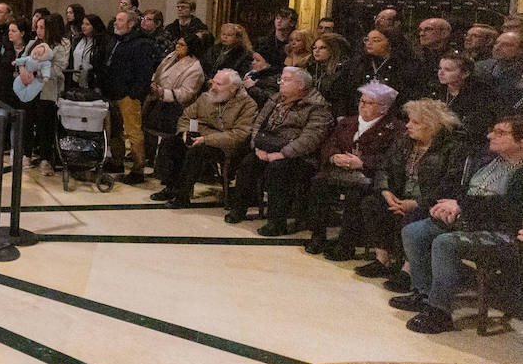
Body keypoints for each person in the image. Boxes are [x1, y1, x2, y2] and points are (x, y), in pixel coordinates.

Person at [394, 115, 523, 334]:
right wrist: (448, 207)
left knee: (445, 243)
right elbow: (466, 191)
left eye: (501, 133)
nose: (490, 135)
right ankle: (424, 294)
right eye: (492, 130)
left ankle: (439, 312)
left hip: (505, 233)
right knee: (414, 231)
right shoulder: (490, 161)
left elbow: (509, 210)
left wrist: (462, 206)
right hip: (471, 221)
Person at [356, 99, 464, 289]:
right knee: (371, 203)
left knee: (415, 216)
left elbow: (448, 186)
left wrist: (416, 203)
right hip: (399, 196)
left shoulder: (452, 149)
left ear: (432, 125)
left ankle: (409, 269)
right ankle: (383, 259)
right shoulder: (404, 141)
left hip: (428, 202)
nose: (407, 125)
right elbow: (384, 168)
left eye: (415, 122)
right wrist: (385, 190)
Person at [227, 66, 334, 235]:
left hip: (300, 157)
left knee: (278, 169)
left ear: (301, 85)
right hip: (268, 147)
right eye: (281, 79)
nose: (281, 83)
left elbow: (310, 139)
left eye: (286, 80)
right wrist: (257, 147)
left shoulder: (317, 107)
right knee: (248, 163)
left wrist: (282, 154)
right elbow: (259, 123)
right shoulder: (276, 99)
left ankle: (277, 222)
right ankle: (238, 209)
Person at [303, 82, 405, 258]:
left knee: (355, 193)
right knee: (318, 183)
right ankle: (318, 235)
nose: (363, 105)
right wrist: (334, 157)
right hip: (340, 170)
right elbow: (330, 143)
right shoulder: (348, 122)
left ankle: (346, 243)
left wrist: (363, 162)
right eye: (362, 101)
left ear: (384, 108)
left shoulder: (396, 128)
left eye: (369, 103)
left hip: (369, 175)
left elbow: (392, 159)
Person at [153, 68, 257, 206]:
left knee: (197, 151)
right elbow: (188, 116)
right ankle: (171, 187)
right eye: (213, 82)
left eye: (219, 84)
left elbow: (238, 135)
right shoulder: (206, 97)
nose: (213, 87)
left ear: (233, 88)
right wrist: (187, 132)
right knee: (171, 143)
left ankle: (182, 195)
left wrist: (206, 139)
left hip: (226, 146)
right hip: (201, 137)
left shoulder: (248, 105)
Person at [103, 10, 159, 183]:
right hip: (112, 91)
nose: (116, 23)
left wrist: (133, 92)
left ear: (131, 23)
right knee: (115, 130)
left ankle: (138, 168)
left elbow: (144, 72)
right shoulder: (116, 39)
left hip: (128, 94)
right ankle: (117, 161)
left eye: (120, 20)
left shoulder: (141, 43)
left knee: (133, 131)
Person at [144, 33, 205, 176]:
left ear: (190, 48)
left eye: (182, 45)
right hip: (160, 100)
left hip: (178, 107)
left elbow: (187, 93)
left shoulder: (195, 68)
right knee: (158, 136)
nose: (177, 46)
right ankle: (156, 167)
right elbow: (159, 73)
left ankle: (165, 173)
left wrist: (164, 92)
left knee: (170, 141)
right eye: (177, 43)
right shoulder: (171, 57)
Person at [20, 13, 71, 171]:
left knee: (45, 125)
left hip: (47, 90)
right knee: (27, 123)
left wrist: (40, 69)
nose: (39, 30)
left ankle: (45, 158)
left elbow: (59, 68)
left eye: (43, 28)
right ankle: (26, 154)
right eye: (38, 27)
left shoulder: (59, 46)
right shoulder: (32, 44)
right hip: (30, 89)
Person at [336, 28, 422, 116]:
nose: (369, 43)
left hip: (390, 115)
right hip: (358, 114)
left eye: (376, 40)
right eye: (367, 39)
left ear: (389, 43)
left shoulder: (402, 65)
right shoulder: (358, 63)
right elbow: (345, 92)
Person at [0, 19, 29, 161]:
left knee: (16, 120)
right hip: (3, 89)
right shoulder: (3, 48)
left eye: (14, 31)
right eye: (9, 30)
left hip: (21, 91)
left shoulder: (29, 48)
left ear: (22, 33)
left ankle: (15, 149)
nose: (10, 33)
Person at [429, 53, 496, 146]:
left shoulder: (480, 94)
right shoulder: (434, 89)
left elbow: (476, 126)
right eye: (440, 68)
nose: (441, 73)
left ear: (465, 73)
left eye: (448, 70)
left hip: (465, 141)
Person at [474, 30, 523, 110]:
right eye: (496, 43)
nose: (497, 47)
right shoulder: (479, 67)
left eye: (506, 45)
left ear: (520, 50)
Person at [70, 13, 109, 92]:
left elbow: (101, 65)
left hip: (92, 81)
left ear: (95, 26)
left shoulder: (102, 42)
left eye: (87, 24)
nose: (83, 26)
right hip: (76, 78)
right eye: (83, 24)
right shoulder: (78, 39)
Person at [309, 33, 350, 102]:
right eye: (314, 47)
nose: (316, 51)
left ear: (333, 50)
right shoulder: (312, 68)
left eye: (322, 48)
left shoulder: (343, 71)